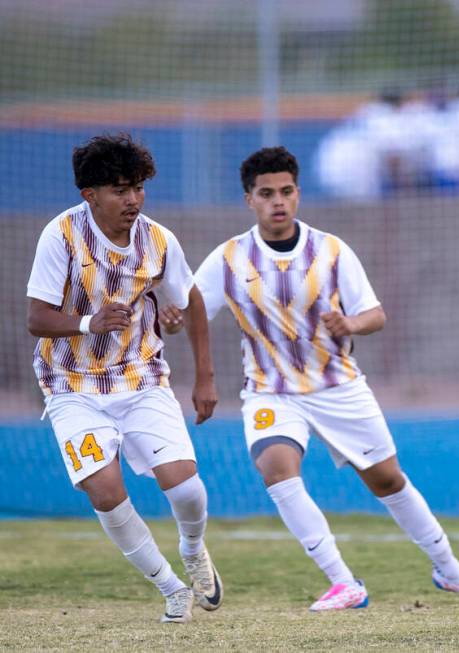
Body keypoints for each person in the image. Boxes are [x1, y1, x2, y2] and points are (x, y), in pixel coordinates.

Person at [162, 146, 459, 612]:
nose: (278, 202)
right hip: (271, 390)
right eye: (266, 194)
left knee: (388, 480)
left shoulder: (330, 250)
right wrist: (174, 322)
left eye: (286, 191)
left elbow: (375, 314)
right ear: (250, 200)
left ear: (298, 193)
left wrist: (350, 324)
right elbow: (190, 308)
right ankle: (344, 582)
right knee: (276, 470)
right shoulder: (228, 259)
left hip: (339, 386)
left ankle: (451, 571)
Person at [25, 133, 223, 623]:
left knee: (185, 489)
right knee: (104, 490)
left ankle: (194, 550)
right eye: (119, 189)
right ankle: (172, 588)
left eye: (137, 187)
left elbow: (190, 299)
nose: (132, 199)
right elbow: (36, 318)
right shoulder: (61, 236)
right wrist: (91, 321)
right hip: (70, 385)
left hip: (141, 377)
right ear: (89, 194)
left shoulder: (158, 239)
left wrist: (205, 378)